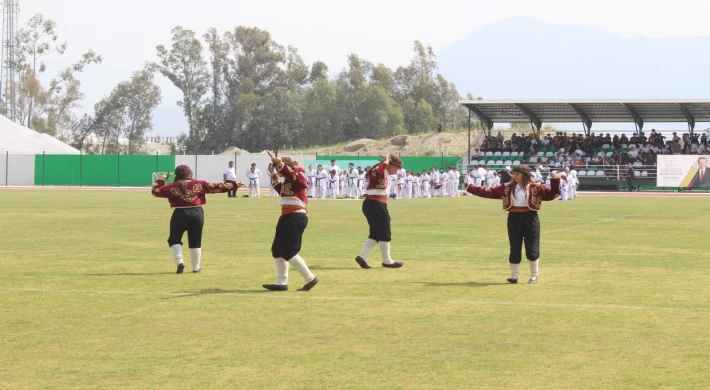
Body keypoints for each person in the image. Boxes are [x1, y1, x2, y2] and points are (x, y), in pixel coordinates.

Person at [465, 165, 561, 284]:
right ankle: (514, 276)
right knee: (514, 247)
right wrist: (470, 188)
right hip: (513, 218)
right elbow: (488, 192)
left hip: (530, 218)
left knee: (532, 248)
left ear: (524, 175)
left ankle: (533, 276)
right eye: (513, 174)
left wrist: (555, 181)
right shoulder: (506, 187)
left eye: (517, 174)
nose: (514, 176)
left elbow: (553, 194)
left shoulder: (535, 188)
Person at [151, 165, 242, 273]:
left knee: (174, 239)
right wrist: (235, 184)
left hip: (180, 213)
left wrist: (161, 180)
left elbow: (155, 191)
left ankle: (180, 262)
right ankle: (196, 267)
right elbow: (218, 187)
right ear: (190, 174)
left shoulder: (172, 186)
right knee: (195, 240)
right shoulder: (199, 184)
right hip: (197, 213)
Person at [262, 152, 319, 292]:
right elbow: (284, 192)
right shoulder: (289, 180)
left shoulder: (298, 177)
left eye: (278, 168)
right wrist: (275, 181)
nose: (277, 170)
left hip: (295, 216)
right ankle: (281, 282)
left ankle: (310, 278)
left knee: (289, 251)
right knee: (277, 250)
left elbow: (290, 173)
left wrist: (280, 164)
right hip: (287, 216)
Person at [354, 154, 405, 269]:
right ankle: (387, 260)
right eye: (396, 167)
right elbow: (377, 171)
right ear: (390, 164)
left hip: (376, 203)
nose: (397, 170)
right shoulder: (377, 170)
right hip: (375, 203)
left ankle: (362, 256)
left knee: (376, 232)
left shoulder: (384, 171)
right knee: (385, 230)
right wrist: (385, 162)